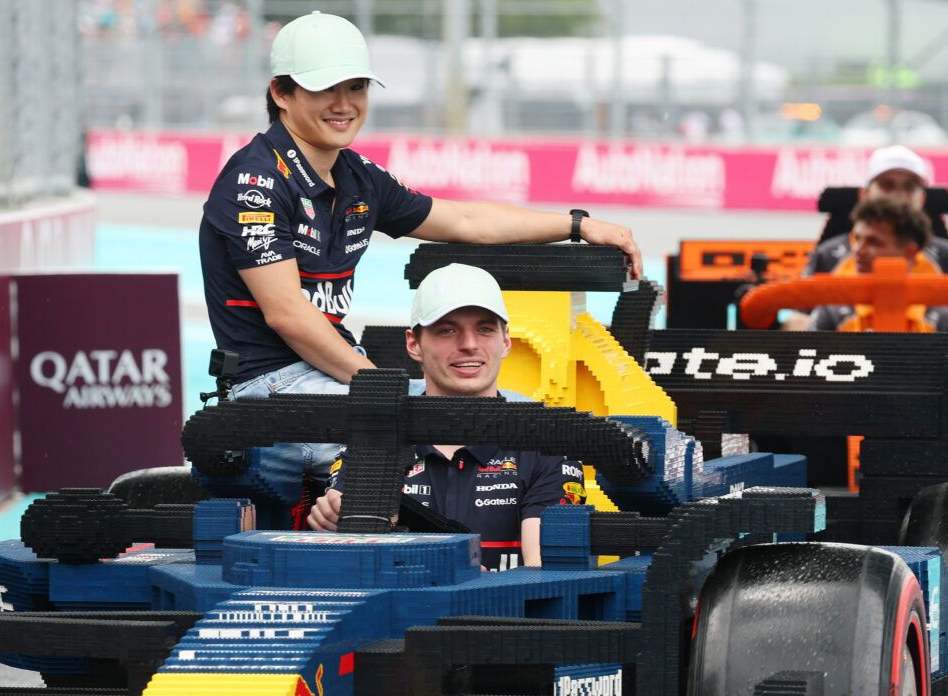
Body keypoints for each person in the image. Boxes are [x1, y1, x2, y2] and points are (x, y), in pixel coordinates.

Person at [199, 11, 640, 483]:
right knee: (461, 430)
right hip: (268, 391)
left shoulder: (358, 176)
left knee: (522, 419)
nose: (344, 104)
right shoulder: (255, 182)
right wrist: (380, 388)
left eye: (356, 87)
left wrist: (577, 224)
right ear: (280, 94)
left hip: (328, 377)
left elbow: (467, 221)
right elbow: (288, 314)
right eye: (324, 89)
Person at [307, 263, 584, 570]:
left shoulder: (547, 445)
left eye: (484, 329)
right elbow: (356, 566)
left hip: (501, 604)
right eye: (447, 330)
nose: (469, 345)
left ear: (506, 341)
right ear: (414, 344)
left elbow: (545, 576)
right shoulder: (374, 441)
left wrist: (472, 584)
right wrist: (334, 522)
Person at [781, 144, 948, 331]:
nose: (898, 195)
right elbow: (786, 307)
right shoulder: (829, 254)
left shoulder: (947, 256)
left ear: (922, 198)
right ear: (864, 195)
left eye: (909, 187)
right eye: (887, 185)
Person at [805, 195, 948, 350]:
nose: (857, 251)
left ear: (909, 251)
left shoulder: (947, 322)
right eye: (858, 239)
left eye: (873, 242)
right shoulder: (828, 314)